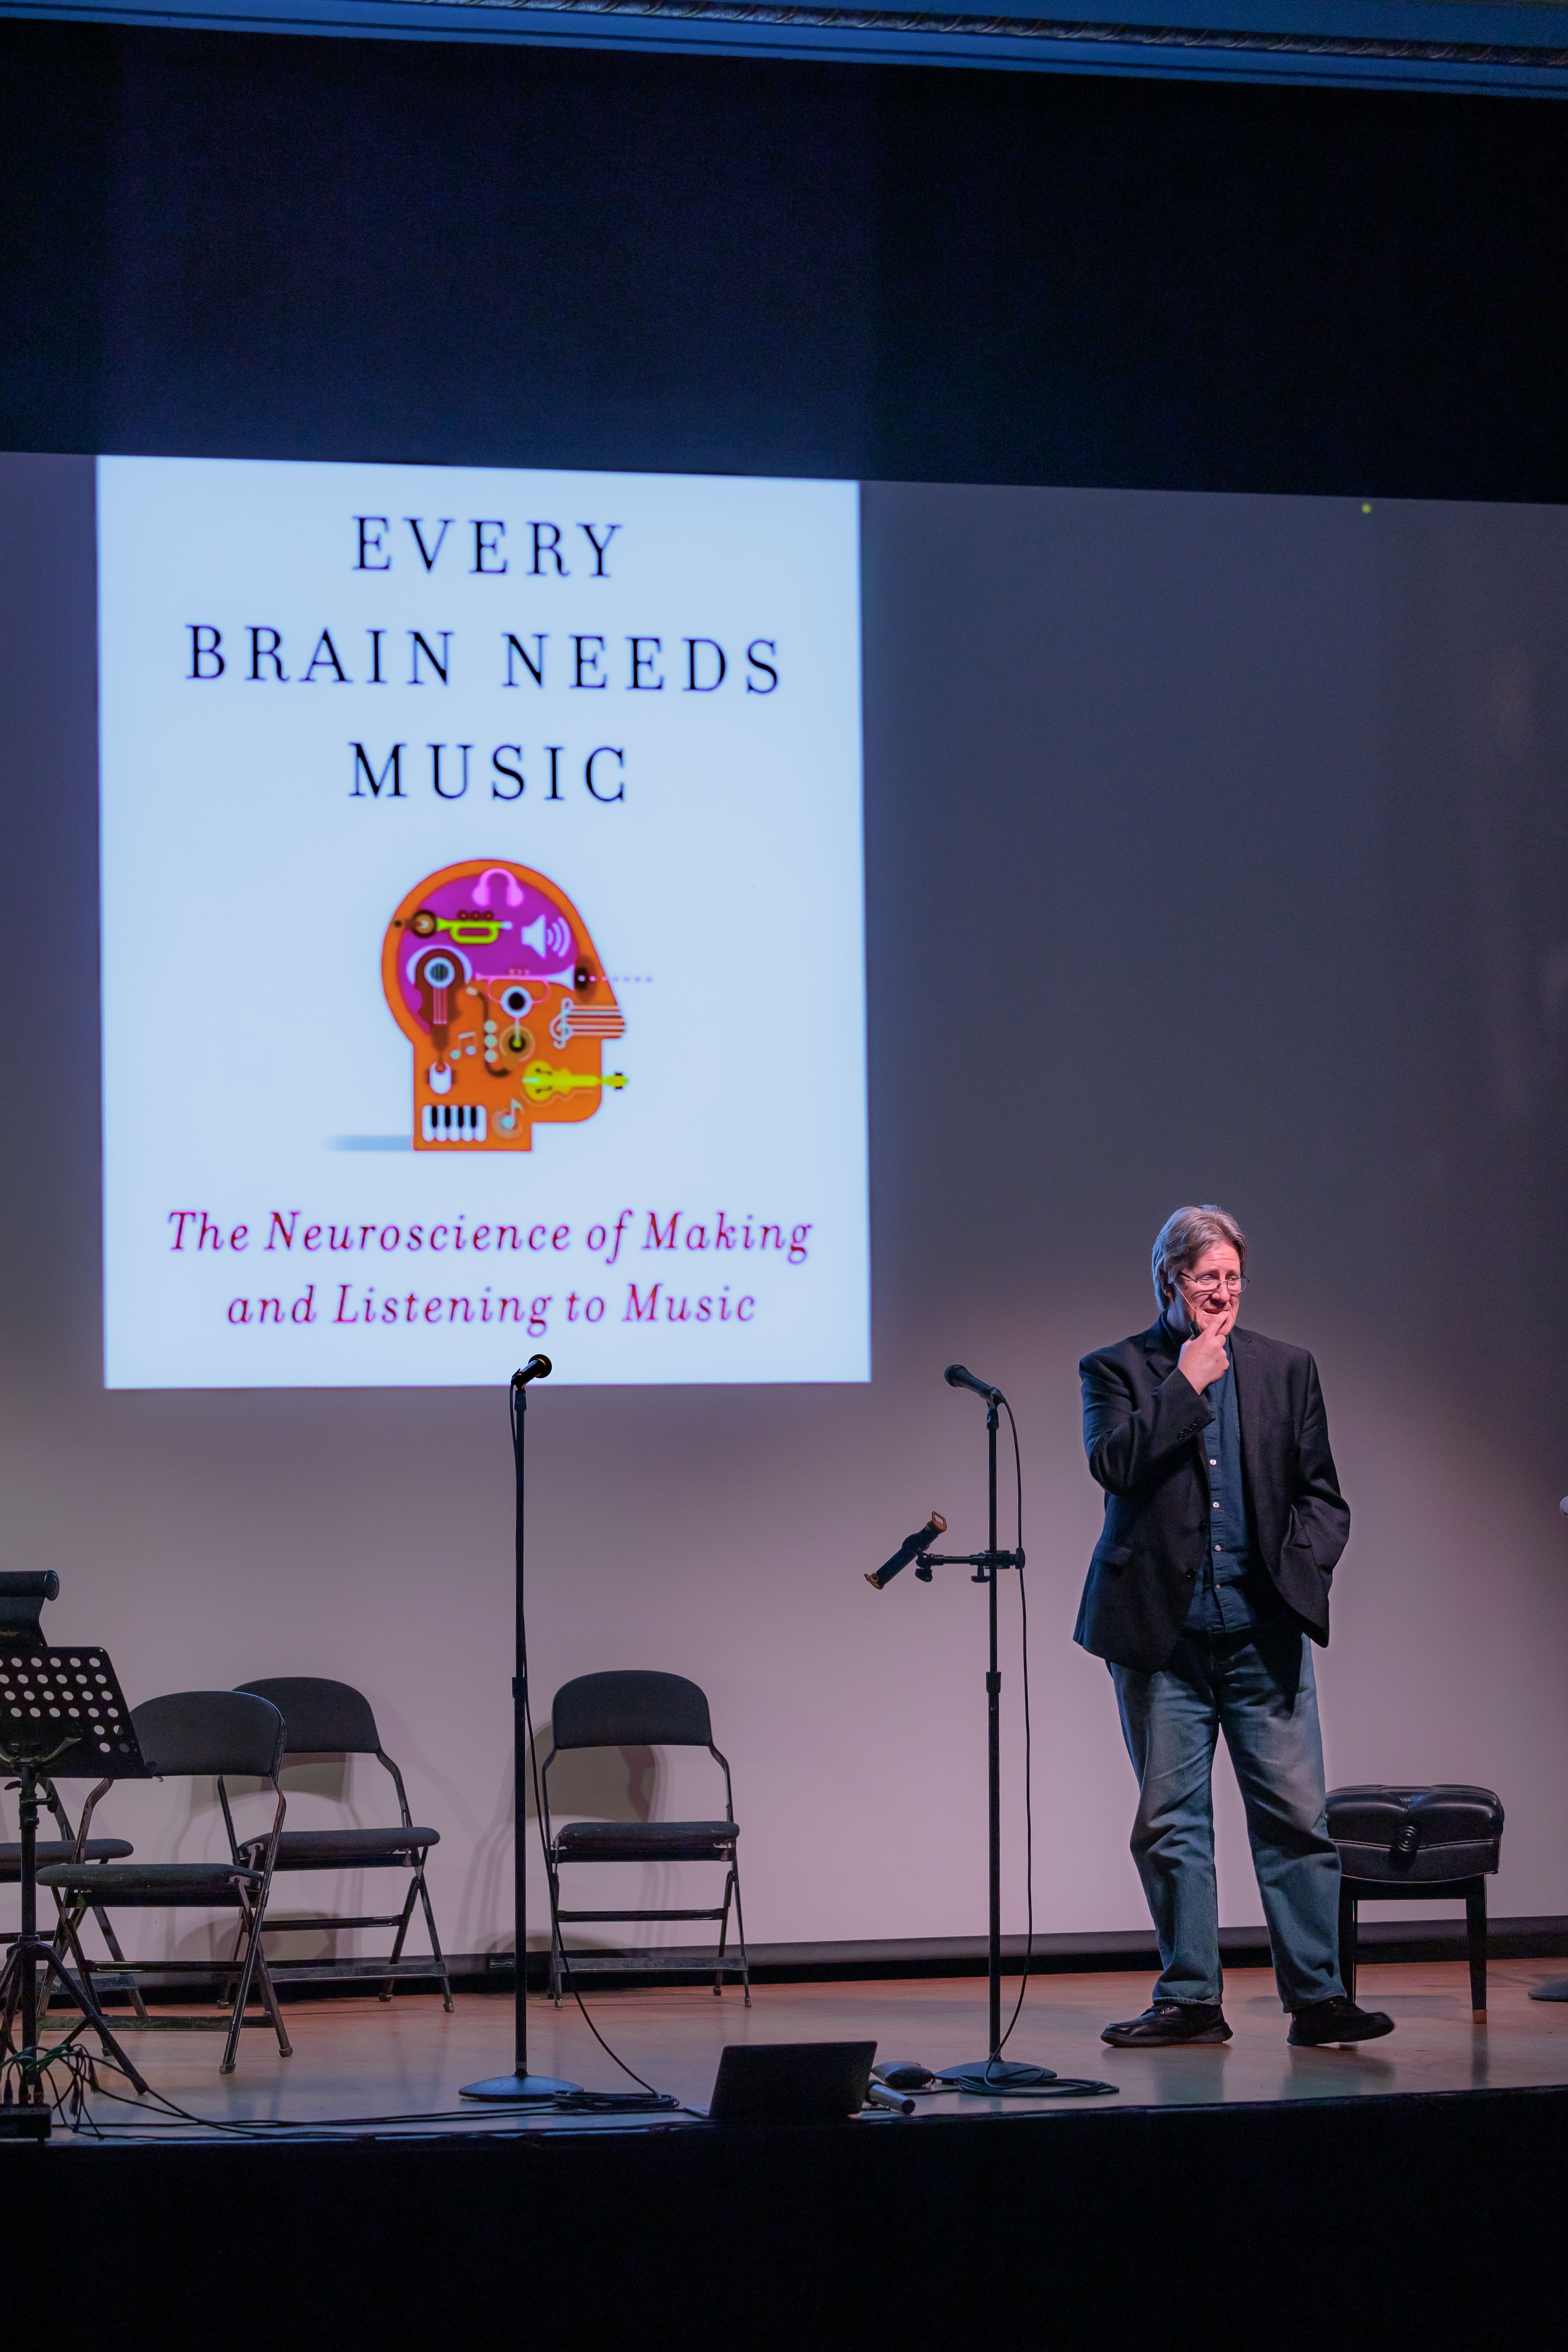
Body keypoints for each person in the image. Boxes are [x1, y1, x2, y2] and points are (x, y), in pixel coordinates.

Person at [1077, 1204, 1393, 2050]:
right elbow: (1115, 1466)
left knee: (1296, 1819)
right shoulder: (1116, 1369)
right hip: (1163, 1639)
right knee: (1171, 1824)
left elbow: (1323, 1495)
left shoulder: (1288, 1368)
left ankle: (1319, 1999)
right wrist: (1186, 1384)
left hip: (1264, 1632)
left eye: (1232, 1279)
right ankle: (1190, 2000)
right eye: (1204, 1279)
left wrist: (1303, 1574)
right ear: (1168, 1281)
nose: (1222, 1294)